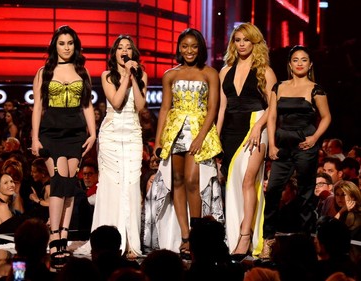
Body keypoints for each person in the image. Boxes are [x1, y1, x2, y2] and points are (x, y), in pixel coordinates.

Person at [149, 28, 223, 258]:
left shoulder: (210, 73)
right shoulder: (170, 74)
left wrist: (201, 136)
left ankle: (197, 232)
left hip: (198, 129)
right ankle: (185, 236)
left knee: (193, 180)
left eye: (194, 46)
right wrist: (158, 142)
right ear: (179, 48)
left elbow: (213, 108)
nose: (189, 50)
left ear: (200, 48)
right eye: (185, 46)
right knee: (177, 181)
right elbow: (164, 109)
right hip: (174, 131)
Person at [31, 25, 96, 268]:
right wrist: (35, 138)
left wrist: (93, 133)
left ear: (75, 45)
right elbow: (38, 106)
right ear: (54, 45)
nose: (66, 47)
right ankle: (54, 235)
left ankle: (65, 234)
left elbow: (87, 105)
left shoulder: (83, 71)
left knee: (70, 182)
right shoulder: (44, 71)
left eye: (70, 43)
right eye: (62, 43)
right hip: (51, 132)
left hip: (76, 132)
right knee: (58, 178)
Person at [77, 34, 147, 259]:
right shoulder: (107, 75)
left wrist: (134, 77)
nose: (124, 51)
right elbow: (116, 102)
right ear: (115, 53)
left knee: (131, 183)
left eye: (128, 48)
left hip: (133, 134)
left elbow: (140, 105)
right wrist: (126, 74)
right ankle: (109, 241)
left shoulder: (141, 74)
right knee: (113, 186)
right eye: (120, 48)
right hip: (111, 135)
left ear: (133, 53)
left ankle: (130, 241)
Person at [261, 45, 331, 259]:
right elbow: (271, 117)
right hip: (282, 145)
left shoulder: (316, 89)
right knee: (272, 191)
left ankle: (306, 241)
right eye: (295, 60)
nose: (299, 63)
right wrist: (271, 145)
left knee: (305, 194)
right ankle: (268, 240)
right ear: (289, 65)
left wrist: (314, 138)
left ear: (310, 64)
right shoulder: (278, 87)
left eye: (304, 60)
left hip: (305, 146)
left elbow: (327, 117)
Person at [216, 22, 277, 258]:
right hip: (231, 129)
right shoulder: (224, 71)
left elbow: (273, 107)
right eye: (237, 40)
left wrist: (259, 128)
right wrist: (215, 138)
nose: (241, 44)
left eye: (246, 40)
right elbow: (222, 108)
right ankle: (237, 232)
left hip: (256, 124)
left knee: (248, 181)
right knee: (233, 184)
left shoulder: (265, 71)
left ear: (255, 42)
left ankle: (245, 236)